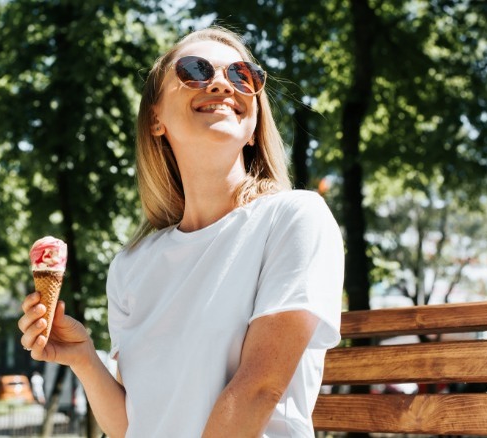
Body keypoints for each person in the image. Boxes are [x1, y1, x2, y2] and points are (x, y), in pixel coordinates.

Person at [18, 26, 344, 437]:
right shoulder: (130, 266)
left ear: (255, 114)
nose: (224, 83)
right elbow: (134, 425)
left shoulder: (295, 218)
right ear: (155, 118)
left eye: (244, 75)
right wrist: (83, 356)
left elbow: (258, 390)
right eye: (196, 69)